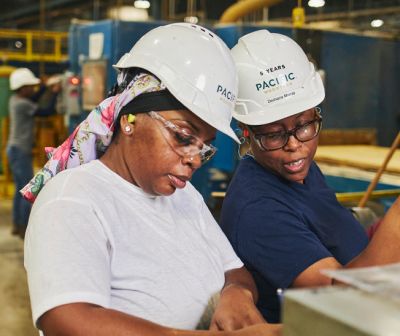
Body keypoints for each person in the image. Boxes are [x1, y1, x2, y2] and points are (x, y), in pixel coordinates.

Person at [22, 23, 282, 336]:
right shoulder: (73, 198)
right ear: (129, 119)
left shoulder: (185, 198)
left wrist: (236, 295)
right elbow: (67, 319)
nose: (195, 158)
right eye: (184, 136)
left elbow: (235, 272)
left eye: (205, 146)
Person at [220, 29, 400, 323]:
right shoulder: (258, 210)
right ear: (246, 132)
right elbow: (344, 302)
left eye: (304, 125)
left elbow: (336, 238)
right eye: (274, 134)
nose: (294, 145)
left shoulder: (298, 170)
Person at [6, 68, 60, 238]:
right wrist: (55, 93)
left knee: (18, 189)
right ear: (23, 88)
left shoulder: (15, 99)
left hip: (14, 150)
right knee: (26, 190)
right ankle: (23, 228)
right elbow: (46, 111)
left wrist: (43, 87)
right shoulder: (22, 104)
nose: (33, 89)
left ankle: (17, 224)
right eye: (30, 86)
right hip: (20, 151)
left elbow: (34, 99)